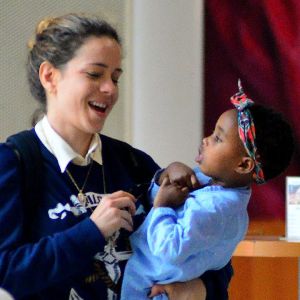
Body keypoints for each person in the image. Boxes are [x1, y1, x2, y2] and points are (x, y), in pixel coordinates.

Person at [0, 13, 233, 300]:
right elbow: (6, 272)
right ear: (50, 76)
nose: (110, 89)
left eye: (115, 77)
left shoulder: (134, 164)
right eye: (95, 74)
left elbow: (211, 249)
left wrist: (200, 289)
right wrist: (92, 231)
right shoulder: (13, 163)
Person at [121, 81, 294, 299]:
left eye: (217, 138)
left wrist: (162, 206)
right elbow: (161, 200)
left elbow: (169, 248)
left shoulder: (217, 209)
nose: (206, 140)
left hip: (147, 290)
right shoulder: (209, 182)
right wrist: (166, 176)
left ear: (243, 165)